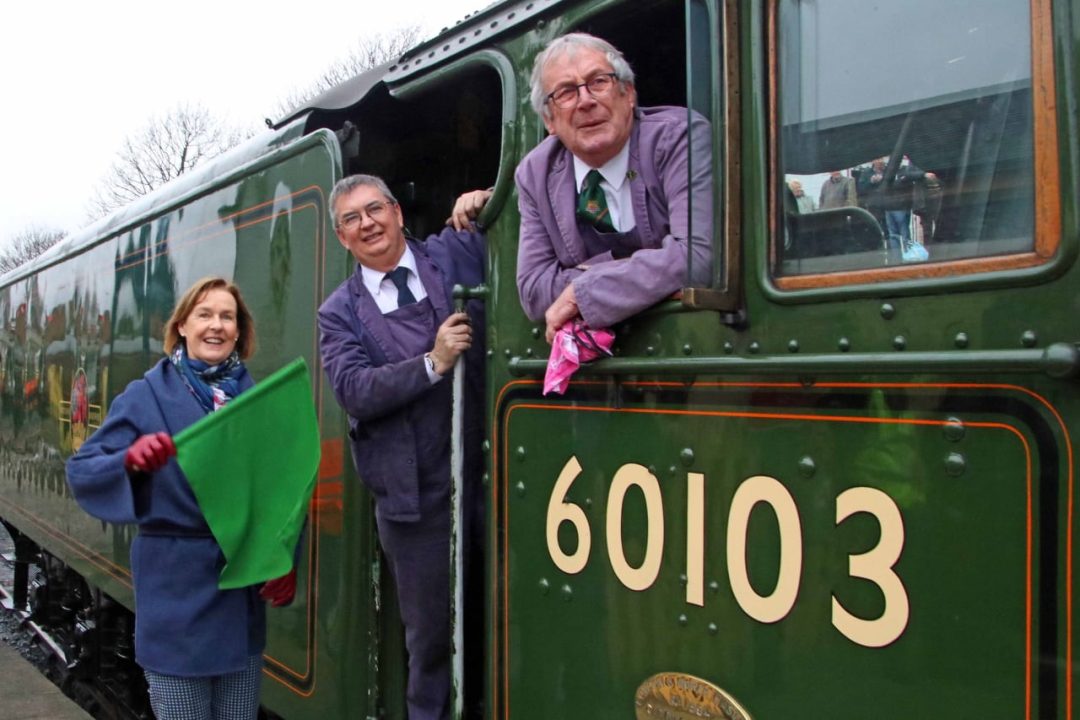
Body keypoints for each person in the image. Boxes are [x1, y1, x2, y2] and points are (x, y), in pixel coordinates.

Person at [66, 277, 296, 720]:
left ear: (240, 331)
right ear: (183, 327)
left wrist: (284, 557)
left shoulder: (257, 400)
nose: (216, 326)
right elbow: (82, 468)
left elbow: (283, 489)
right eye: (204, 315)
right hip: (177, 600)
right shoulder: (146, 396)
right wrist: (128, 461)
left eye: (227, 317)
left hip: (239, 600)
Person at [317, 174, 485, 720]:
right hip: (415, 500)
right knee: (431, 643)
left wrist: (485, 197)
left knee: (505, 618)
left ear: (397, 213)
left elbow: (528, 214)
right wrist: (431, 364)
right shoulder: (337, 312)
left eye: (375, 209)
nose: (367, 223)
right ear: (343, 238)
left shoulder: (454, 252)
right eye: (352, 219)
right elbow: (355, 390)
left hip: (492, 475)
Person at [510, 32, 713, 342]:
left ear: (628, 94)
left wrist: (584, 290)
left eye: (598, 82)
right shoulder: (534, 173)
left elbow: (699, 256)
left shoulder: (679, 137)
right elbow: (534, 292)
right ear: (549, 121)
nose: (586, 101)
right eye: (565, 92)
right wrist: (648, 264)